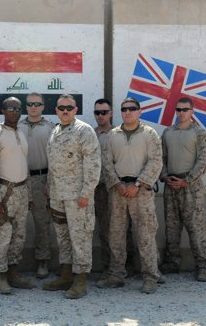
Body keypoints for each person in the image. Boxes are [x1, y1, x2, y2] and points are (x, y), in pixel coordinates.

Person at [99, 97, 163, 294]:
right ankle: (117, 275)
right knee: (116, 235)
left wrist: (138, 184)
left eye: (132, 109)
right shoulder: (112, 135)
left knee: (145, 235)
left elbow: (155, 162)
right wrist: (117, 184)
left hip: (141, 191)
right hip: (118, 191)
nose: (128, 112)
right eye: (124, 109)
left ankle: (150, 276)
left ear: (139, 111)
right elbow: (106, 162)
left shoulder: (149, 134)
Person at [43, 94, 101, 299]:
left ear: (76, 110)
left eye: (69, 107)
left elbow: (93, 165)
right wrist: (49, 189)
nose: (65, 111)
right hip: (58, 195)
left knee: (80, 237)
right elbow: (53, 164)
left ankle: (80, 281)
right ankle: (66, 275)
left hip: (78, 197)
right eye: (61, 108)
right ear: (56, 110)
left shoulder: (83, 131)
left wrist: (86, 193)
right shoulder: (55, 131)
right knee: (63, 237)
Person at [0, 97, 34, 295]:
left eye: (18, 108)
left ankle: (13, 273)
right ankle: (0, 277)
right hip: (4, 192)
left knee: (19, 236)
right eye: (10, 108)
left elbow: (24, 164)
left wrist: (28, 195)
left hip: (21, 191)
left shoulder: (20, 132)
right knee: (1, 236)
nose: (14, 111)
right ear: (3, 110)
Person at [159, 97, 206, 282]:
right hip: (171, 185)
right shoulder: (167, 132)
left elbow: (204, 162)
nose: (181, 112)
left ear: (192, 112)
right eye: (179, 109)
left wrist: (187, 181)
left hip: (191, 187)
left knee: (196, 227)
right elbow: (161, 157)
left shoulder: (199, 133)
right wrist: (165, 176)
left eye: (185, 109)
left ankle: (203, 266)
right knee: (172, 227)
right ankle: (172, 263)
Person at [18, 92, 55, 279]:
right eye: (30, 103)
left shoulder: (50, 127)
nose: (33, 107)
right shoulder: (16, 126)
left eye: (37, 104)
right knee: (17, 223)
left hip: (41, 179)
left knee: (42, 222)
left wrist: (50, 182)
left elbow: (55, 158)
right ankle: (13, 262)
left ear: (42, 106)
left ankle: (43, 261)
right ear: (26, 106)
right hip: (19, 181)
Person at [92, 98, 114, 277]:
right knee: (101, 230)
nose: (100, 116)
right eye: (97, 112)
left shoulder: (117, 134)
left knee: (116, 230)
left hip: (112, 188)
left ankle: (120, 266)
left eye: (104, 112)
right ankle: (107, 265)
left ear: (111, 113)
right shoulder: (89, 134)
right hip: (94, 189)